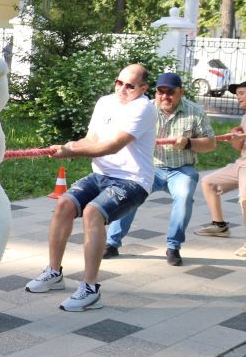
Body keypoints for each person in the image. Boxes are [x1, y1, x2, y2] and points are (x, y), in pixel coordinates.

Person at [24, 63, 157, 311]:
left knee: (92, 212)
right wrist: (71, 145)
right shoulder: (105, 102)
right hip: (101, 175)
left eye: (130, 86)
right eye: (119, 82)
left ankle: (90, 288)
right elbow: (93, 140)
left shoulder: (144, 108)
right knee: (63, 204)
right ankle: (54, 273)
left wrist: (70, 153)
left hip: (133, 180)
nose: (122, 89)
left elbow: (112, 146)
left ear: (143, 88)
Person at [102, 72, 217, 267]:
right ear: (155, 92)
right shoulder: (145, 109)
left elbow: (211, 144)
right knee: (129, 195)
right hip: (149, 168)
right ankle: (111, 243)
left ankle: (173, 246)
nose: (165, 97)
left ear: (181, 92)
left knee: (184, 196)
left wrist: (189, 143)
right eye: (160, 92)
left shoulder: (195, 112)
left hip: (181, 169)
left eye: (170, 92)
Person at [194, 80, 246, 257]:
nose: (238, 97)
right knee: (208, 182)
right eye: (237, 94)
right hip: (243, 163)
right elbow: (241, 147)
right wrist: (235, 139)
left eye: (241, 93)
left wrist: (241, 134)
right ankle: (220, 226)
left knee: (245, 196)